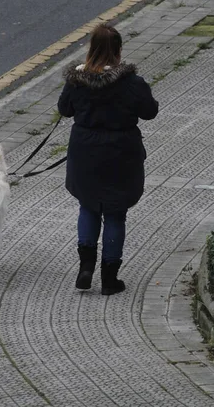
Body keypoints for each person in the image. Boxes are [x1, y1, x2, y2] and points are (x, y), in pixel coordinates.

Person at [58, 23, 158, 295]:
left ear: (91, 48)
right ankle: (110, 279)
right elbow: (150, 112)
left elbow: (64, 109)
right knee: (115, 213)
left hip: (85, 151)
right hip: (120, 152)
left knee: (88, 206)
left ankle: (85, 268)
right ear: (118, 50)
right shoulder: (132, 83)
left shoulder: (77, 81)